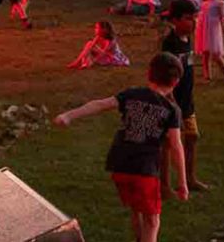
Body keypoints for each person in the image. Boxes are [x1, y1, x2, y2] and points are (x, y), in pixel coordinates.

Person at [53, 53, 188, 242]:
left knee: (136, 209)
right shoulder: (171, 110)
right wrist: (182, 182)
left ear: (149, 74)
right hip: (144, 171)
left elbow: (100, 104)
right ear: (175, 81)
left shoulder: (132, 94)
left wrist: (68, 115)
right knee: (152, 221)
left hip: (120, 166)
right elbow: (176, 146)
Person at [160, 0, 209, 195]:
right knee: (168, 143)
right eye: (188, 18)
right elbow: (165, 75)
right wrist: (171, 101)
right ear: (175, 20)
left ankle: (190, 178)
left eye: (194, 18)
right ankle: (164, 184)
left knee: (192, 137)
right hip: (172, 101)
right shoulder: (169, 43)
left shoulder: (188, 40)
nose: (193, 22)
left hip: (188, 101)